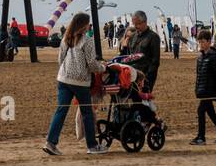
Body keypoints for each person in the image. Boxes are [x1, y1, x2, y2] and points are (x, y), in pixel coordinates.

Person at [43, 12, 109, 156]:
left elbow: (60, 59)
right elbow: (92, 64)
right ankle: (92, 145)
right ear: (84, 25)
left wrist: (66, 71)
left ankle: (50, 142)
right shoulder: (87, 40)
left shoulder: (66, 38)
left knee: (61, 111)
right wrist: (103, 67)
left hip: (63, 79)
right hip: (80, 81)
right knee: (87, 112)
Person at [190, 29, 216, 145]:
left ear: (209, 42)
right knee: (210, 112)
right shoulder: (200, 57)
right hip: (202, 90)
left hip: (210, 90)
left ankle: (201, 137)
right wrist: (197, 89)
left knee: (201, 111)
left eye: (203, 41)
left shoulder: (214, 57)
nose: (201, 44)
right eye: (199, 42)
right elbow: (199, 75)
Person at [120, 10, 161, 91]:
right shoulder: (133, 37)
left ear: (145, 22)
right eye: (134, 24)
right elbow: (127, 57)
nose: (135, 26)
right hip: (131, 75)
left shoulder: (153, 37)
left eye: (138, 24)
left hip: (145, 76)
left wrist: (147, 78)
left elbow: (155, 61)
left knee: (142, 101)